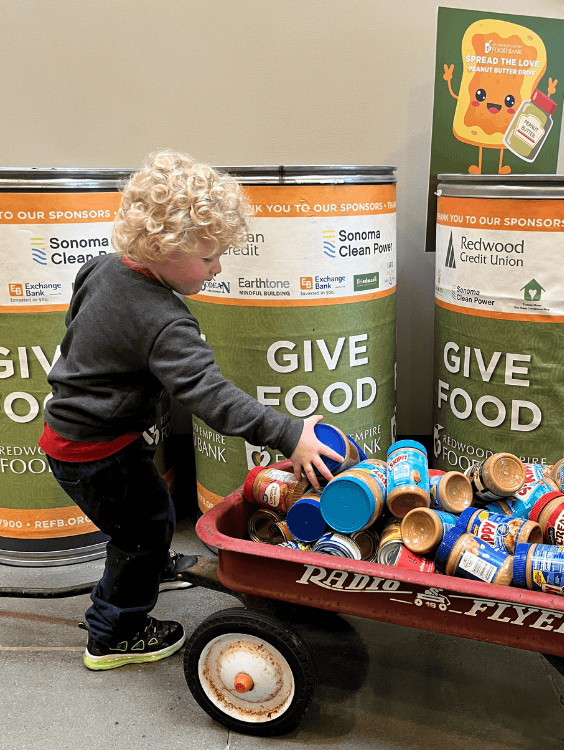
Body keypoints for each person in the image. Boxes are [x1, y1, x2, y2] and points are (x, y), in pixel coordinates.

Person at [39, 150, 343, 671]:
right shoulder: (164, 321)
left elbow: (77, 323)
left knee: (147, 514)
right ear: (162, 246)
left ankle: (144, 568)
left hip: (77, 433)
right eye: (209, 258)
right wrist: (290, 434)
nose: (219, 267)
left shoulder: (102, 269)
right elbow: (212, 398)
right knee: (141, 531)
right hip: (96, 450)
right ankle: (115, 633)